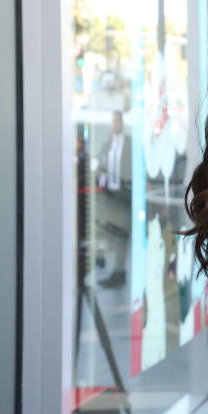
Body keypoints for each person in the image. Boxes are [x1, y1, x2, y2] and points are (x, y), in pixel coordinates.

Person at [95, 110, 132, 287]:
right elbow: (100, 168)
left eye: (118, 120)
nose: (115, 124)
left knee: (122, 233)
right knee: (105, 228)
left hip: (126, 193)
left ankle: (119, 272)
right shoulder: (106, 146)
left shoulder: (130, 144)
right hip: (110, 195)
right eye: (113, 121)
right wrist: (102, 180)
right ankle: (101, 260)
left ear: (122, 123)